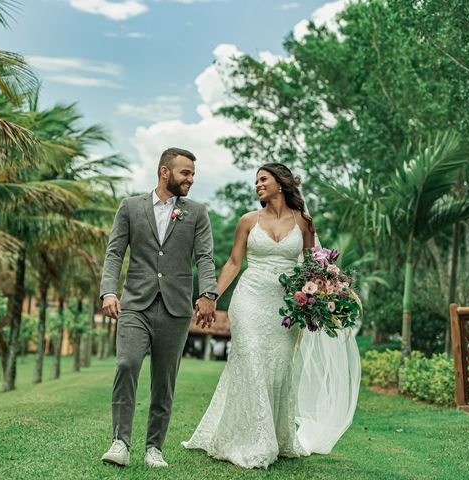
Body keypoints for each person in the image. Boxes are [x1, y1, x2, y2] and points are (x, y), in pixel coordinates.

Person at [182, 162, 361, 469]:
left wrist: (327, 292)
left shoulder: (304, 222)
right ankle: (257, 442)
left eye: (263, 179)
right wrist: (210, 295)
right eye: (256, 181)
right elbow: (234, 263)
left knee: (278, 368)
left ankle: (277, 438)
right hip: (249, 299)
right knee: (250, 358)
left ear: (281, 183)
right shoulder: (248, 220)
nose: (258, 185)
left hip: (286, 307)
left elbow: (312, 267)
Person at [99, 147, 218, 468]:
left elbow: (204, 257)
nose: (190, 179)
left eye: (193, 174)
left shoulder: (197, 213)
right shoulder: (130, 207)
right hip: (135, 304)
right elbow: (114, 254)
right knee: (126, 364)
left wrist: (209, 293)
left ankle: (154, 448)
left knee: (164, 380)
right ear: (165, 172)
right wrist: (108, 291)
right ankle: (120, 442)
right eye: (185, 173)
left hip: (175, 308)